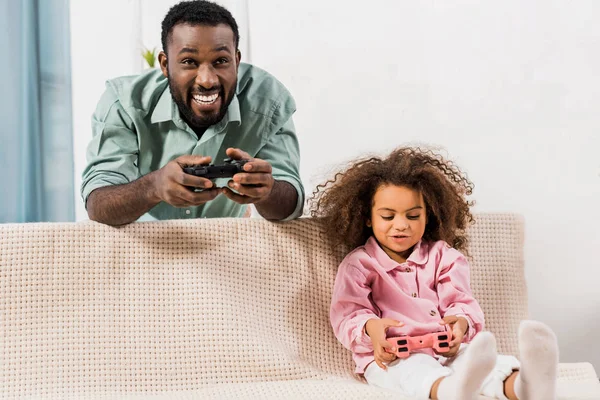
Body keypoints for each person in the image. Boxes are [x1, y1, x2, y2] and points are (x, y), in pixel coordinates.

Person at [309, 147, 558, 400]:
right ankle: (453, 391)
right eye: (388, 216)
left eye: (413, 215)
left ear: (428, 216)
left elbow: (460, 302)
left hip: (445, 350)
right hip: (394, 357)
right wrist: (372, 329)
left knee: (485, 363)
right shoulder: (360, 264)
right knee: (415, 373)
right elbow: (348, 314)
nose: (401, 224)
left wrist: (459, 325)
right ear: (368, 218)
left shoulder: (443, 257)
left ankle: (526, 386)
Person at [81, 0, 304, 226]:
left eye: (221, 61)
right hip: (143, 248)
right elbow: (98, 204)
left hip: (229, 248)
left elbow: (290, 205)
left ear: (236, 61)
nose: (207, 80)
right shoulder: (123, 104)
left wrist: (268, 190)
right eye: (189, 62)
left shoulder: (269, 101)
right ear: (165, 64)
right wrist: (154, 186)